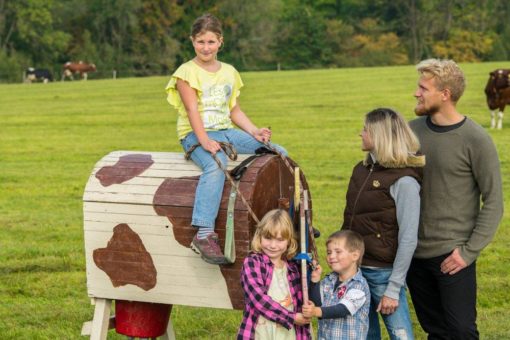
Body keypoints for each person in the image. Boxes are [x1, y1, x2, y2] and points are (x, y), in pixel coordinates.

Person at [165, 14, 286, 265]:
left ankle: (289, 218)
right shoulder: (186, 73)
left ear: (220, 41)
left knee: (277, 150)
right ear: (192, 41)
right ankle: (204, 233)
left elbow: (234, 110)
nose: (205, 47)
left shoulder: (229, 72)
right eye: (200, 42)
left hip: (226, 130)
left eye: (211, 42)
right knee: (215, 163)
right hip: (194, 133)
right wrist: (204, 141)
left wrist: (254, 132)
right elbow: (191, 111)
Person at [407, 58, 503, 339]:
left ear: (445, 94)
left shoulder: (476, 139)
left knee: (461, 331)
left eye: (423, 88)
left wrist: (468, 252)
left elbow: (494, 201)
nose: (416, 93)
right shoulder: (410, 132)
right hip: (414, 254)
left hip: (453, 256)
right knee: (434, 331)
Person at [341, 108, 425, 340]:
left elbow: (408, 238)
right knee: (363, 335)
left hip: (383, 274)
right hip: (355, 271)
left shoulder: (405, 181)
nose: (361, 134)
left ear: (380, 135)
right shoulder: (362, 170)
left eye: (365, 130)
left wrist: (393, 288)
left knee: (401, 336)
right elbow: (350, 219)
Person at [237, 209, 311, 339]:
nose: (272, 245)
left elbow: (303, 302)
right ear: (259, 236)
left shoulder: (293, 268)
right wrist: (291, 317)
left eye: (280, 240)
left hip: (287, 333)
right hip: (261, 331)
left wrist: (314, 279)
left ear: (289, 241)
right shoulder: (253, 262)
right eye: (268, 238)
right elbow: (258, 298)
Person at [302, 230, 370, 339]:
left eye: (338, 252)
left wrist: (315, 311)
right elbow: (318, 303)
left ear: (355, 255)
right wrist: (315, 280)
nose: (331, 256)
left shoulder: (359, 285)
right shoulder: (328, 281)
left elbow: (342, 310)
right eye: (329, 252)